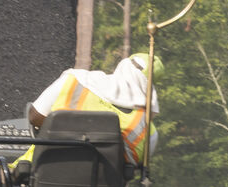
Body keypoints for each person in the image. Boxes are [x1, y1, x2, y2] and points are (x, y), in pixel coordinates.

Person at [25, 51, 163, 166]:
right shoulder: (146, 130)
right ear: (150, 88)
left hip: (37, 175)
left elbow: (34, 116)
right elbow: (133, 168)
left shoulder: (74, 81)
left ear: (123, 66)